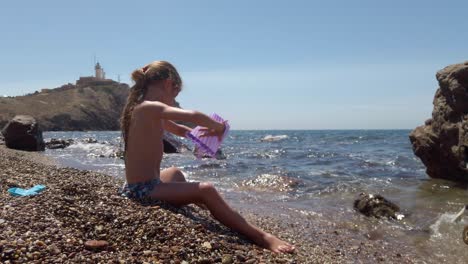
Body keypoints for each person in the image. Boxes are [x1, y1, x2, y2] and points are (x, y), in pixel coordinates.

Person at [120, 61, 295, 253]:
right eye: (175, 94)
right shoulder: (148, 108)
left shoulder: (143, 110)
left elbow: (179, 129)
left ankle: (206, 204)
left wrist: (200, 139)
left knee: (175, 173)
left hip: (144, 184)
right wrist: (219, 128)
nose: (173, 99)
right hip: (143, 191)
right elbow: (193, 115)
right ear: (169, 84)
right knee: (207, 190)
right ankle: (261, 236)